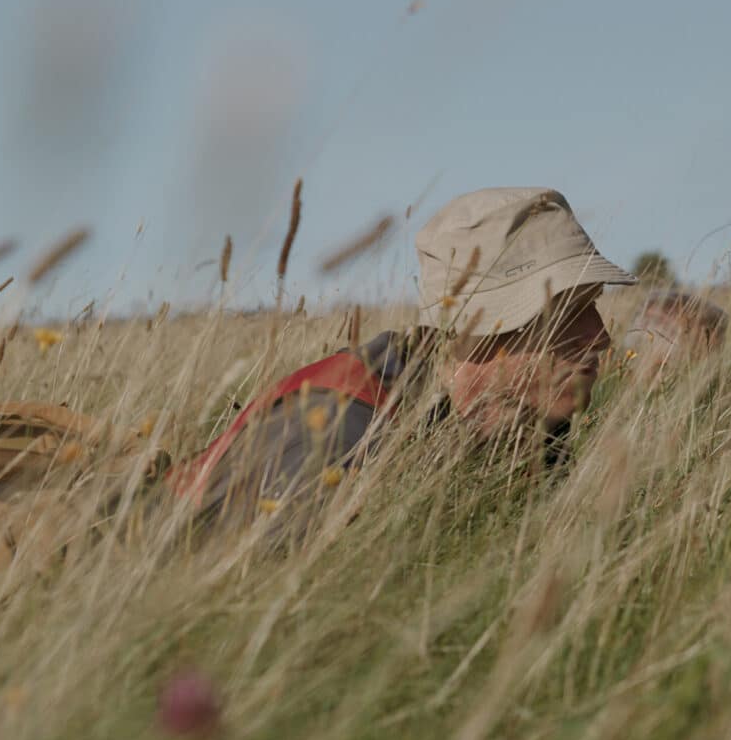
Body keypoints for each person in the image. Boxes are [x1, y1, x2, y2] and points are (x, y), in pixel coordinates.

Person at [169, 187, 637, 536]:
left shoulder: (528, 431)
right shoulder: (335, 437)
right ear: (480, 328)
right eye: (570, 312)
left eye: (594, 306)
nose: (600, 336)